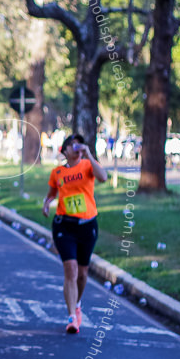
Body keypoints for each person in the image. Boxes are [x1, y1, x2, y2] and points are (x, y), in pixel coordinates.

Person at [42, 133, 108, 334]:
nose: (77, 148)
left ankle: (77, 303)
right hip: (64, 225)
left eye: (79, 144)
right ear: (65, 151)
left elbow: (103, 177)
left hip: (87, 225)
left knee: (83, 273)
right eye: (73, 145)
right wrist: (47, 203)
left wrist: (88, 153)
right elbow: (52, 192)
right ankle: (72, 316)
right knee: (70, 269)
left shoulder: (88, 166)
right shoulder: (58, 172)